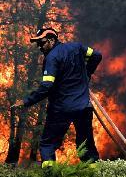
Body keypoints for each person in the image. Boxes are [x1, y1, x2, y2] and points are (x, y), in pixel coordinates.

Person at [11, 27, 102, 165]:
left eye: (42, 43)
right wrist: (87, 74)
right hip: (83, 107)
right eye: (38, 44)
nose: (40, 47)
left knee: (47, 144)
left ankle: (50, 176)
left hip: (61, 109)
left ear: (52, 40)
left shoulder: (52, 58)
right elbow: (96, 56)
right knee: (86, 146)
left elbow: (47, 86)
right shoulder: (77, 47)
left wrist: (26, 102)